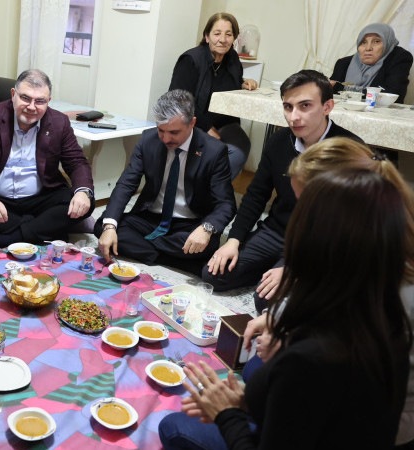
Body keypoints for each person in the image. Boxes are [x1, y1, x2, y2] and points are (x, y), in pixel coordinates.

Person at [160, 168, 412, 449]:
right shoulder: (381, 304)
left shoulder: (312, 355)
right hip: (322, 420)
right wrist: (256, 401)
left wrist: (227, 413)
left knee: (173, 428)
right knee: (255, 367)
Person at [242, 136, 414, 449]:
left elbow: (343, 357)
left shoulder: (395, 286)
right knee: (256, 368)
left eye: (306, 207)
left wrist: (229, 414)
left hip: (379, 420)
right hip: (333, 374)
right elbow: (318, 300)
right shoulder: (358, 241)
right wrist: (276, 319)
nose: (299, 220)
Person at [202, 70, 360, 310]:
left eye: (305, 106)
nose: (294, 116)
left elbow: (346, 227)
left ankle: (289, 276)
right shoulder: (279, 141)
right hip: (276, 232)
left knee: (266, 300)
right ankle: (273, 270)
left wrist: (294, 266)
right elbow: (256, 195)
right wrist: (234, 239)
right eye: (288, 107)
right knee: (213, 274)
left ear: (327, 106)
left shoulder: (349, 150)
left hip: (316, 242)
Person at [95, 89, 236, 274]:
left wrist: (206, 229)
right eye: (161, 130)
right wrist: (110, 226)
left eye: (174, 132)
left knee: (206, 245)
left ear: (192, 123)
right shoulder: (148, 140)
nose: (166, 138)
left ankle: (147, 248)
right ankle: (171, 259)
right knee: (103, 225)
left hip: (190, 223)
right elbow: (126, 184)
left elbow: (226, 204)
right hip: (151, 217)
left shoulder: (214, 150)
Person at [0, 69, 94, 248]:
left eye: (40, 101)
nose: (31, 107)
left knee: (87, 201)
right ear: (13, 94)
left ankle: (11, 236)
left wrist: (82, 192)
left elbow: (76, 162)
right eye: (25, 98)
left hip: (40, 198)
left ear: (48, 101)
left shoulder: (59, 122)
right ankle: (43, 228)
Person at [169, 12, 258, 180]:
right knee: (211, 150)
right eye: (217, 33)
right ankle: (196, 189)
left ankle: (213, 191)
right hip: (192, 122)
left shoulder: (232, 58)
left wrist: (243, 83)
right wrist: (207, 127)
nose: (222, 39)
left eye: (228, 34)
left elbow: (226, 82)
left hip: (224, 122)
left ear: (234, 38)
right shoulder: (190, 60)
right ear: (207, 36)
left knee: (240, 148)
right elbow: (178, 99)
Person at [330, 23, 413, 103]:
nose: (368, 48)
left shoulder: (399, 58)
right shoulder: (343, 63)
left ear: (387, 43)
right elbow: (330, 93)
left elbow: (392, 95)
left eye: (376, 41)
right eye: (363, 42)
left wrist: (348, 93)